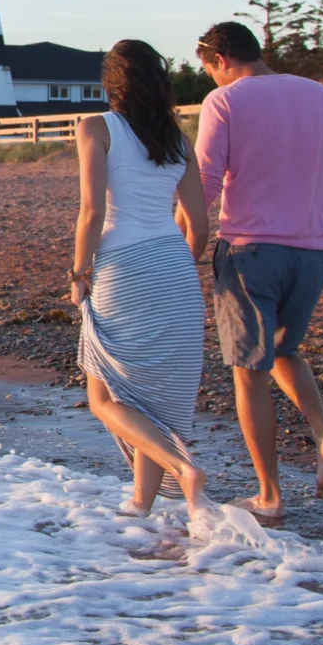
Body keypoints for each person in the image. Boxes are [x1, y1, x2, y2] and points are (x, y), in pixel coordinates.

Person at [192, 20, 323, 524]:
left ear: (219, 59)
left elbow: (204, 181)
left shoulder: (224, 102)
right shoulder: (322, 97)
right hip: (311, 252)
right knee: (285, 351)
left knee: (249, 372)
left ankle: (269, 496)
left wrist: (187, 245)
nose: (211, 80)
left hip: (250, 253)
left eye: (208, 70)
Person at [68, 39, 214, 518]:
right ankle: (140, 503)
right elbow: (198, 223)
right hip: (173, 266)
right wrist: (174, 268)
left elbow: (92, 211)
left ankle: (182, 467)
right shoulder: (177, 138)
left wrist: (78, 273)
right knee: (149, 397)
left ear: (111, 84)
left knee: (104, 396)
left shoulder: (96, 127)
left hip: (123, 266)